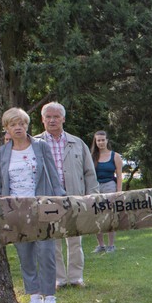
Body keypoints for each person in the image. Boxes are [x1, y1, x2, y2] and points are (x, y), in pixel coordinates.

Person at [0, 108, 65, 303]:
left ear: (27, 125)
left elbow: (53, 176)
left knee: (46, 253)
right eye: (13, 124)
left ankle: (50, 297)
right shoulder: (1, 153)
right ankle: (34, 297)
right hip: (15, 210)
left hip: (42, 207)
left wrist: (61, 201)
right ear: (6, 128)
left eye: (22, 124)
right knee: (25, 254)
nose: (18, 128)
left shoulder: (41, 147)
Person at [37, 102, 99, 288]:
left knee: (74, 241)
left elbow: (89, 173)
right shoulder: (35, 144)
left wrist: (92, 196)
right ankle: (58, 279)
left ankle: (75, 278)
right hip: (47, 200)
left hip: (74, 198)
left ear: (63, 118)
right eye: (48, 117)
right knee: (52, 242)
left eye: (56, 116)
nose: (52, 120)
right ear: (42, 120)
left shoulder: (77, 143)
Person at [91, 131, 123, 253]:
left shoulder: (115, 156)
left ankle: (111, 245)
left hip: (110, 186)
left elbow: (119, 175)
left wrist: (119, 191)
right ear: (95, 141)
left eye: (103, 140)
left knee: (110, 216)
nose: (101, 142)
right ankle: (101, 245)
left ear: (107, 140)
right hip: (95, 187)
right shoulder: (91, 156)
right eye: (98, 140)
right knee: (97, 216)